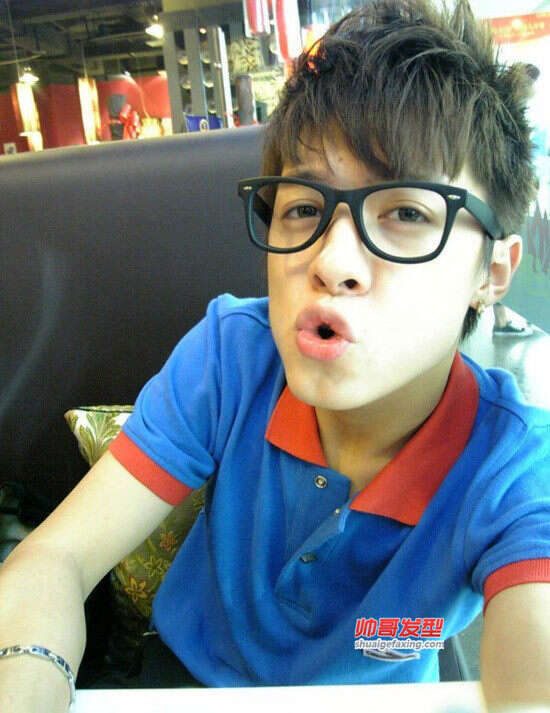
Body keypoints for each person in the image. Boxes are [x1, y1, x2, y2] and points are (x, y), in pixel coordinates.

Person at [1, 0, 549, 711]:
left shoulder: (511, 464)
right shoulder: (233, 359)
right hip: (184, 682)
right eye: (303, 209)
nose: (333, 262)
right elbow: (55, 556)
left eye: (408, 213)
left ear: (493, 272)